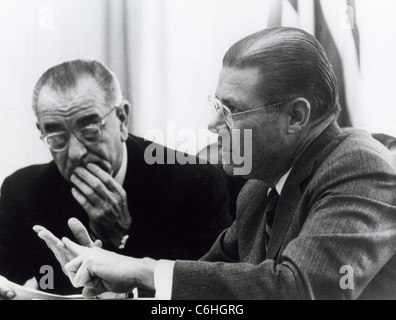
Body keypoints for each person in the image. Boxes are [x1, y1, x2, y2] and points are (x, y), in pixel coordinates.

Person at [36, 27, 396, 300]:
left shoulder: (360, 166)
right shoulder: (257, 189)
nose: (212, 125)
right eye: (216, 105)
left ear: (296, 116)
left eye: (231, 111)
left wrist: (140, 270)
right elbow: (206, 290)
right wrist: (122, 289)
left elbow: (297, 289)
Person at [0, 59, 233, 299]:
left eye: (90, 130)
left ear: (122, 119)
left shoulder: (194, 180)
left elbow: (209, 289)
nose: (76, 152)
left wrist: (123, 238)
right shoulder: (22, 190)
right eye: (57, 137)